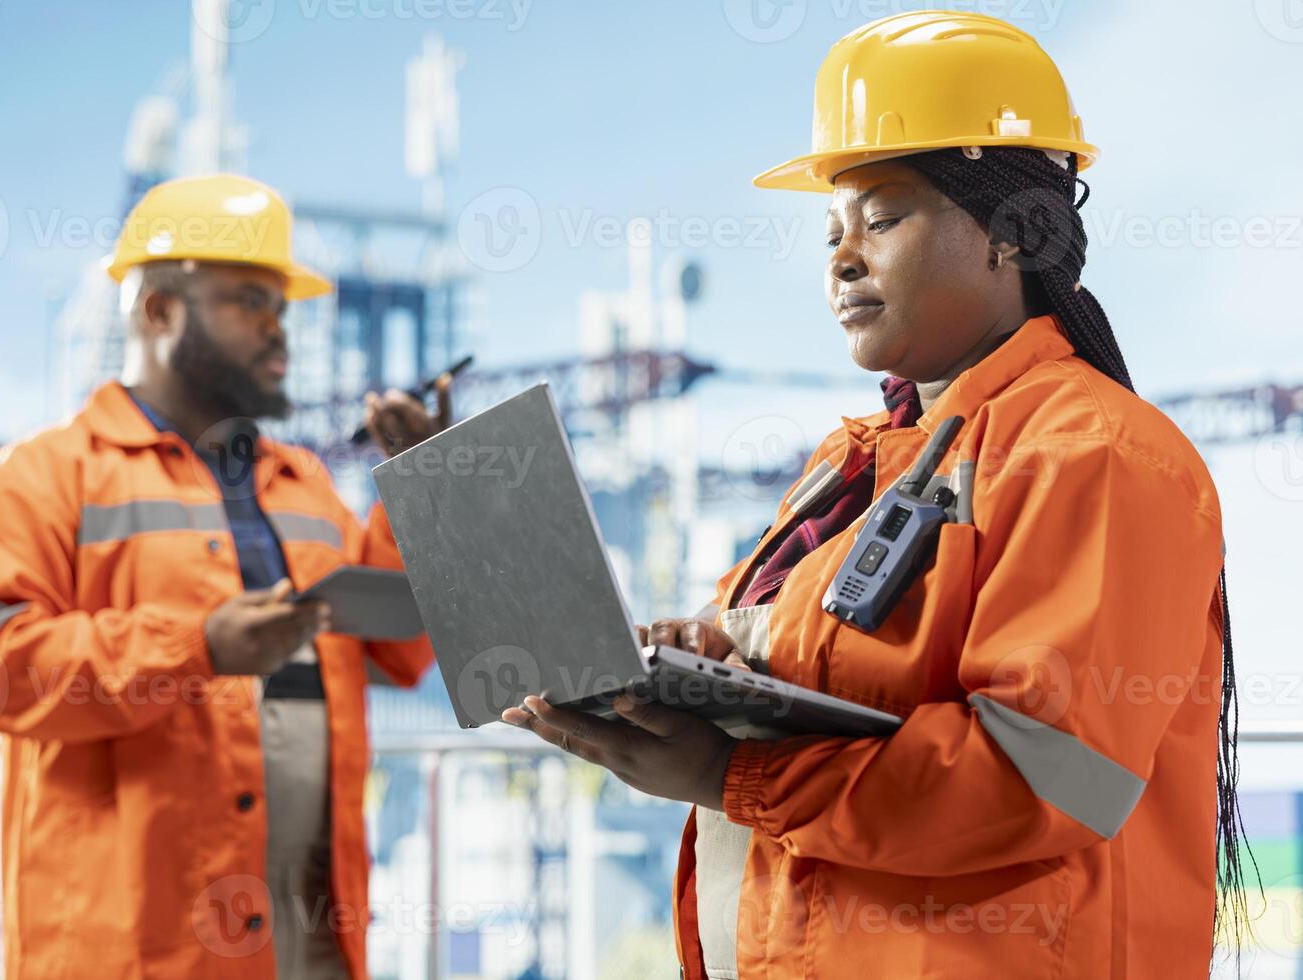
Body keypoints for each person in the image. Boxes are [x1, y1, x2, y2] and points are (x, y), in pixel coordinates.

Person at [502, 12, 1251, 978]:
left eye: (883, 220)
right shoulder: (855, 466)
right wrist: (712, 654)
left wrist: (729, 774)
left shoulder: (1093, 453)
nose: (842, 258)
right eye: (832, 231)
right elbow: (837, 677)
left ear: (1018, 233)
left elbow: (1042, 778)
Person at [0, 173, 448, 979]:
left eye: (282, 308)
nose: (277, 328)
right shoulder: (40, 478)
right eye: (248, 301)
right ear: (159, 311)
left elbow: (400, 652)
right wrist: (195, 648)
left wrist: (422, 488)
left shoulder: (305, 485)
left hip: (310, 938)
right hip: (132, 950)